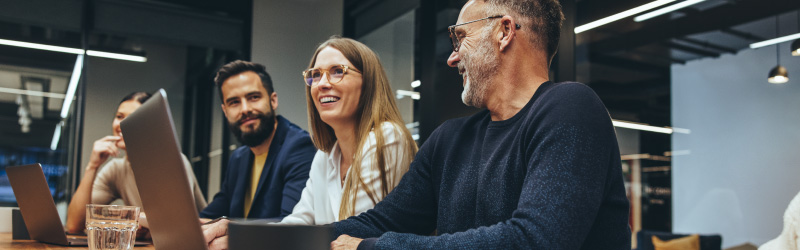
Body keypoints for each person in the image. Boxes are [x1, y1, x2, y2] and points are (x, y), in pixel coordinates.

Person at [203, 0, 631, 248]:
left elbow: (533, 241)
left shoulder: (571, 108)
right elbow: (378, 222)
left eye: (460, 37)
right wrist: (249, 240)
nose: (451, 57)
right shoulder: (451, 139)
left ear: (504, 32)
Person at [278, 37, 418, 226]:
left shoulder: (387, 137)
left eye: (337, 72)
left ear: (368, 82)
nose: (322, 84)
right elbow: (299, 221)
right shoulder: (325, 156)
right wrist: (244, 237)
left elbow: (354, 233)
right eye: (316, 75)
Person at [66, 92, 207, 234]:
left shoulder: (174, 161)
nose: (121, 124)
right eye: (119, 116)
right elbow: (74, 224)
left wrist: (130, 219)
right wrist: (92, 166)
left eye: (132, 118)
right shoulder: (116, 169)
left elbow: (175, 224)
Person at [199, 60, 317, 221]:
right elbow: (211, 215)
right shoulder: (238, 158)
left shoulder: (300, 147)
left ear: (273, 100)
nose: (245, 109)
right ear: (225, 111)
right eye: (234, 102)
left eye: (253, 97)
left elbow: (291, 224)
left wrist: (227, 231)